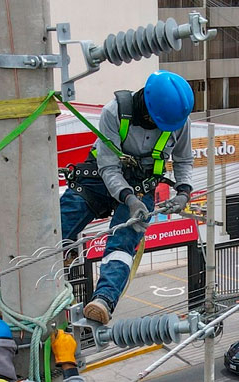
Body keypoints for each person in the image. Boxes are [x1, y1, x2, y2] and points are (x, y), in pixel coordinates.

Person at [61, 70, 196, 325]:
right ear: (146, 108)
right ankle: (6, 282)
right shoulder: (114, 112)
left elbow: (183, 160)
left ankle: (103, 300)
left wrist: (184, 191)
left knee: (123, 241)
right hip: (100, 177)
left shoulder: (178, 120)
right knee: (63, 219)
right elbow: (109, 167)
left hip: (142, 184)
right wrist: (128, 199)